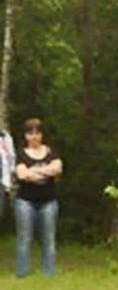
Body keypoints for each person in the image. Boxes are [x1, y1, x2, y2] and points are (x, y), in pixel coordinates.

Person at [12, 117, 61, 278]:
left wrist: (34, 172)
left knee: (49, 238)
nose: (34, 137)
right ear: (26, 136)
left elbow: (58, 168)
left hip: (49, 202)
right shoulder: (21, 154)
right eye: (30, 133)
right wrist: (46, 171)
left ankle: (49, 272)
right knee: (25, 238)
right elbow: (22, 174)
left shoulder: (51, 152)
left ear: (42, 135)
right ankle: (22, 272)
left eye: (37, 133)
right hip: (25, 202)